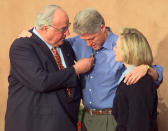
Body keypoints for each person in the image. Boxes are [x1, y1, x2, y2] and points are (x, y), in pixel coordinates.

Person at [18, 8, 163, 131]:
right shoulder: (76, 43)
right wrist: (32, 35)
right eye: (84, 39)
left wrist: (146, 69)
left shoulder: (121, 46)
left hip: (113, 119)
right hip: (86, 119)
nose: (87, 43)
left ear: (102, 27)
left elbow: (155, 72)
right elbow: (49, 41)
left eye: (91, 38)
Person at [5, 5, 94, 131]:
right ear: (45, 28)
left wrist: (132, 67)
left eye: (68, 26)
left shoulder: (65, 45)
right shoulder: (22, 46)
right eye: (63, 29)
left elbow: (96, 46)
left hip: (66, 122)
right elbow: (41, 81)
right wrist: (76, 70)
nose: (67, 33)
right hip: (35, 125)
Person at [112, 27, 158, 131]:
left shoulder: (138, 81)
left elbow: (139, 123)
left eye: (117, 46)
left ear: (128, 50)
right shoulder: (130, 76)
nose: (114, 49)